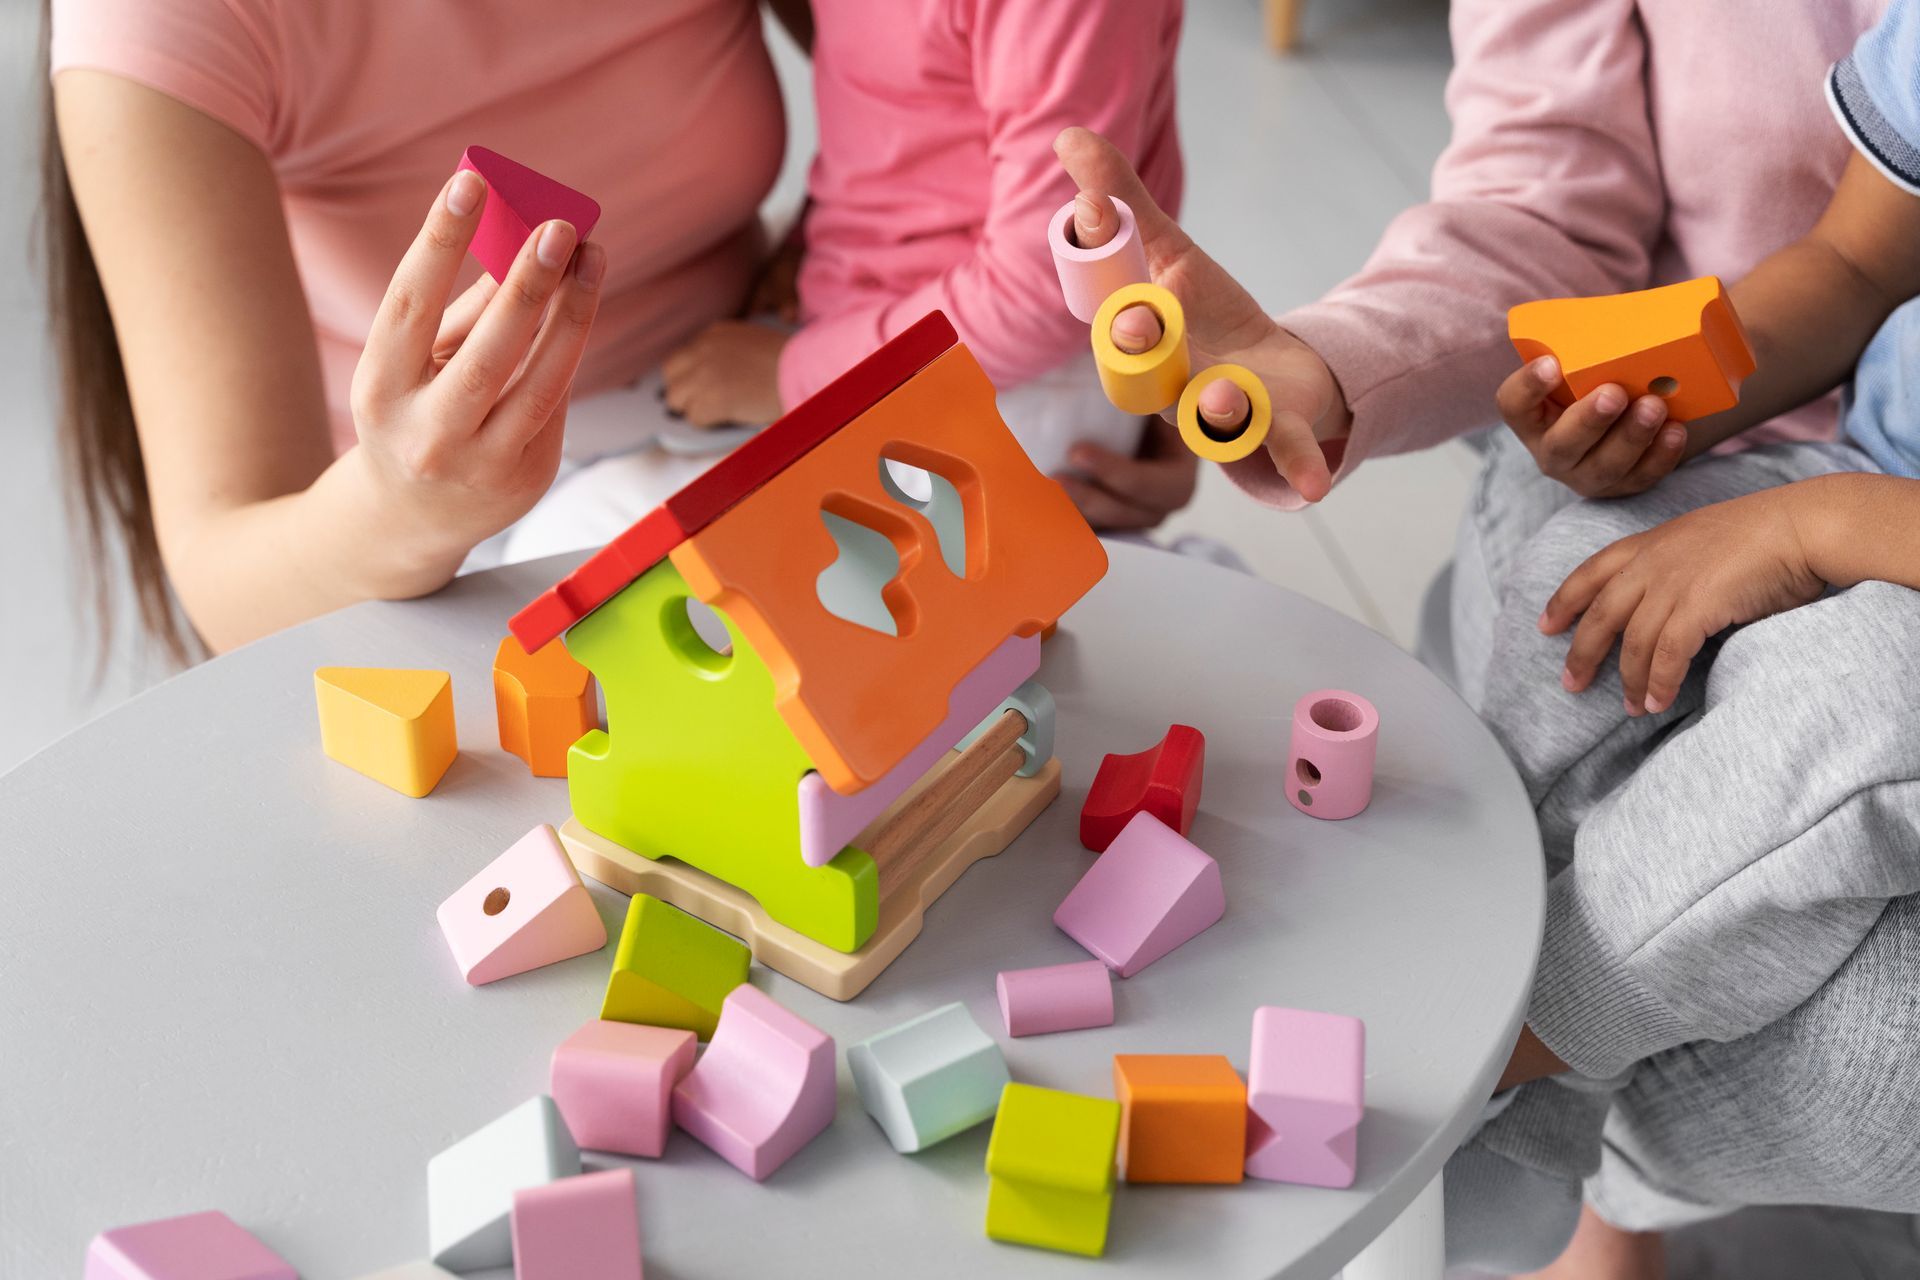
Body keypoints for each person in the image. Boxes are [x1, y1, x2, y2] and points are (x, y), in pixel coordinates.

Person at [1052, 0, 1907, 1274]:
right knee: (1582, 569)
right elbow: (1845, 271)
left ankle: (1505, 1053)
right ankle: (1509, 1116)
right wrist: (1644, 404)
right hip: (1839, 468)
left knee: (1868, 691)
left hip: (1874, 545)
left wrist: (1831, 529)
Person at [45, 0, 791, 654]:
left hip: (764, 391)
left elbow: (907, 101)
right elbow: (226, 581)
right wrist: (400, 504)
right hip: (430, 552)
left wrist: (844, 252)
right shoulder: (161, 22)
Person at [653, 0, 1193, 527]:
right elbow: (899, 117)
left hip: (995, 373)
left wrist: (791, 378)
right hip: (890, 348)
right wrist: (812, 241)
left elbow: (1047, 287)